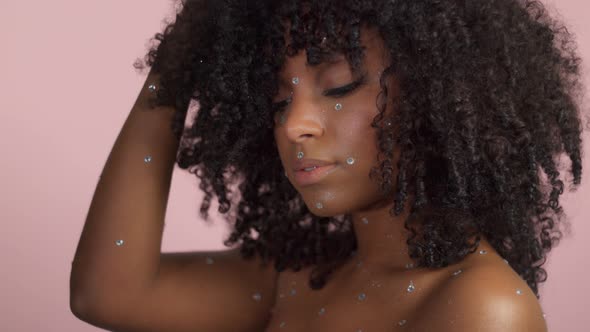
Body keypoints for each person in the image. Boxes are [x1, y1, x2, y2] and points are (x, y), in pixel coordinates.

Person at [70, 0, 588, 331]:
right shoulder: (303, 276)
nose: (295, 124)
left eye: (339, 87)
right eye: (277, 101)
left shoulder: (482, 310)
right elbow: (107, 295)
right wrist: (182, 54)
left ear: (441, 93)